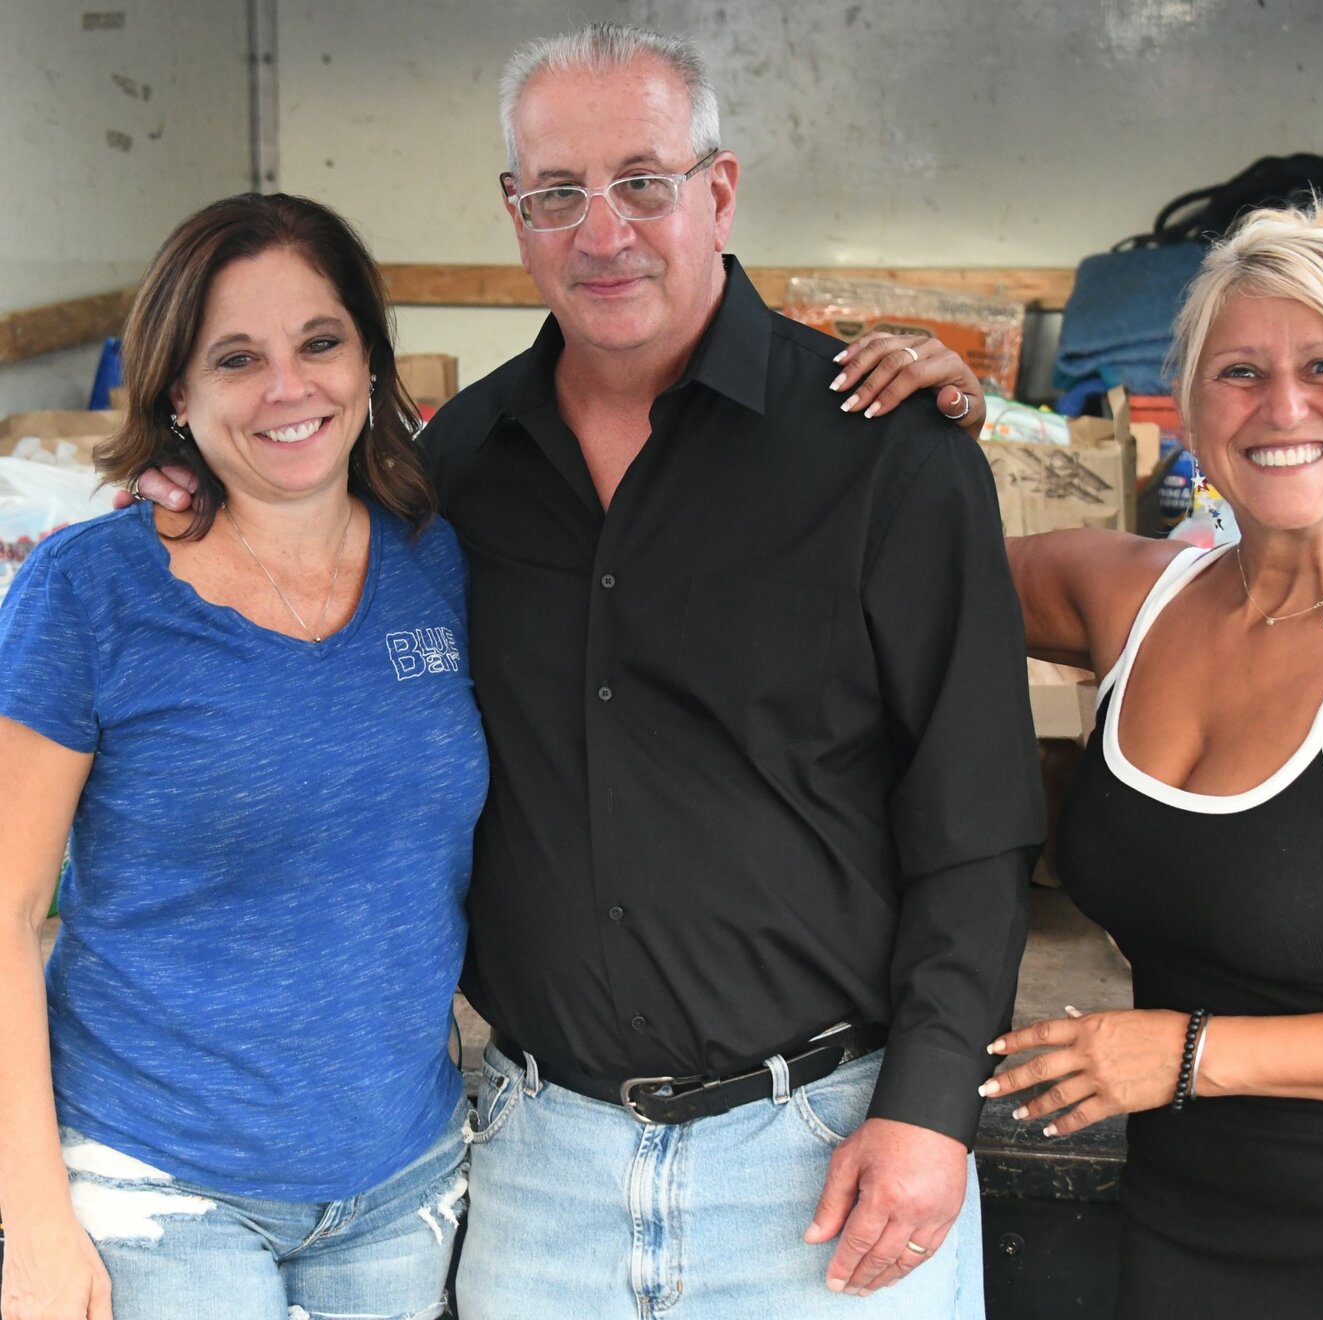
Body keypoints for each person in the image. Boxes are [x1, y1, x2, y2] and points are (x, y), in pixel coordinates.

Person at [124, 25, 1040, 1316]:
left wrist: (933, 1111)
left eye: (643, 182)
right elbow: (283, 543)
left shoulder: (883, 455)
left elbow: (978, 816)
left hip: (824, 1162)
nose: (600, 231)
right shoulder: (451, 475)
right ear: (515, 214)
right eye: (557, 193)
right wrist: (187, 485)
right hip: (538, 1171)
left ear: (718, 193)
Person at [965, 198, 1323, 1317]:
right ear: (1193, 410)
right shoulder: (1131, 597)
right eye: (1240, 372)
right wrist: (941, 415)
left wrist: (1188, 1055)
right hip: (1182, 1213)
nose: (1284, 408)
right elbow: (899, 566)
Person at [0, 194, 488, 1320]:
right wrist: (32, 1220)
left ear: (370, 358)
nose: (289, 387)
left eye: (320, 342)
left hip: (403, 1181)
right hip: (158, 1185)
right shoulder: (89, 593)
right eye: (236, 358)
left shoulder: (441, 563)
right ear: (178, 391)